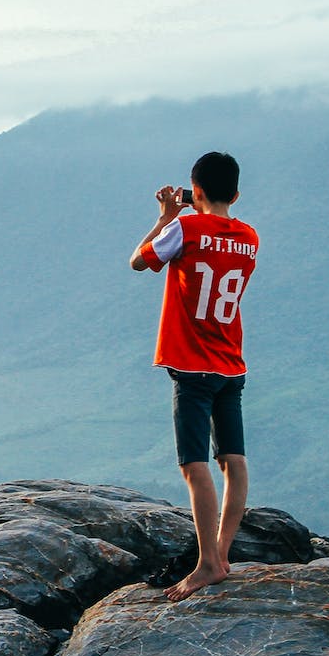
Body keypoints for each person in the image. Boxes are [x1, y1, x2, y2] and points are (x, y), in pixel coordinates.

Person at [129, 151, 258, 601]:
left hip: (191, 364)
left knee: (194, 464)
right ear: (236, 194)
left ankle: (206, 565)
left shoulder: (185, 228)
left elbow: (138, 262)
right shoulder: (249, 237)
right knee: (233, 461)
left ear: (195, 191)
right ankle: (222, 554)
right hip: (231, 362)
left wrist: (166, 216)